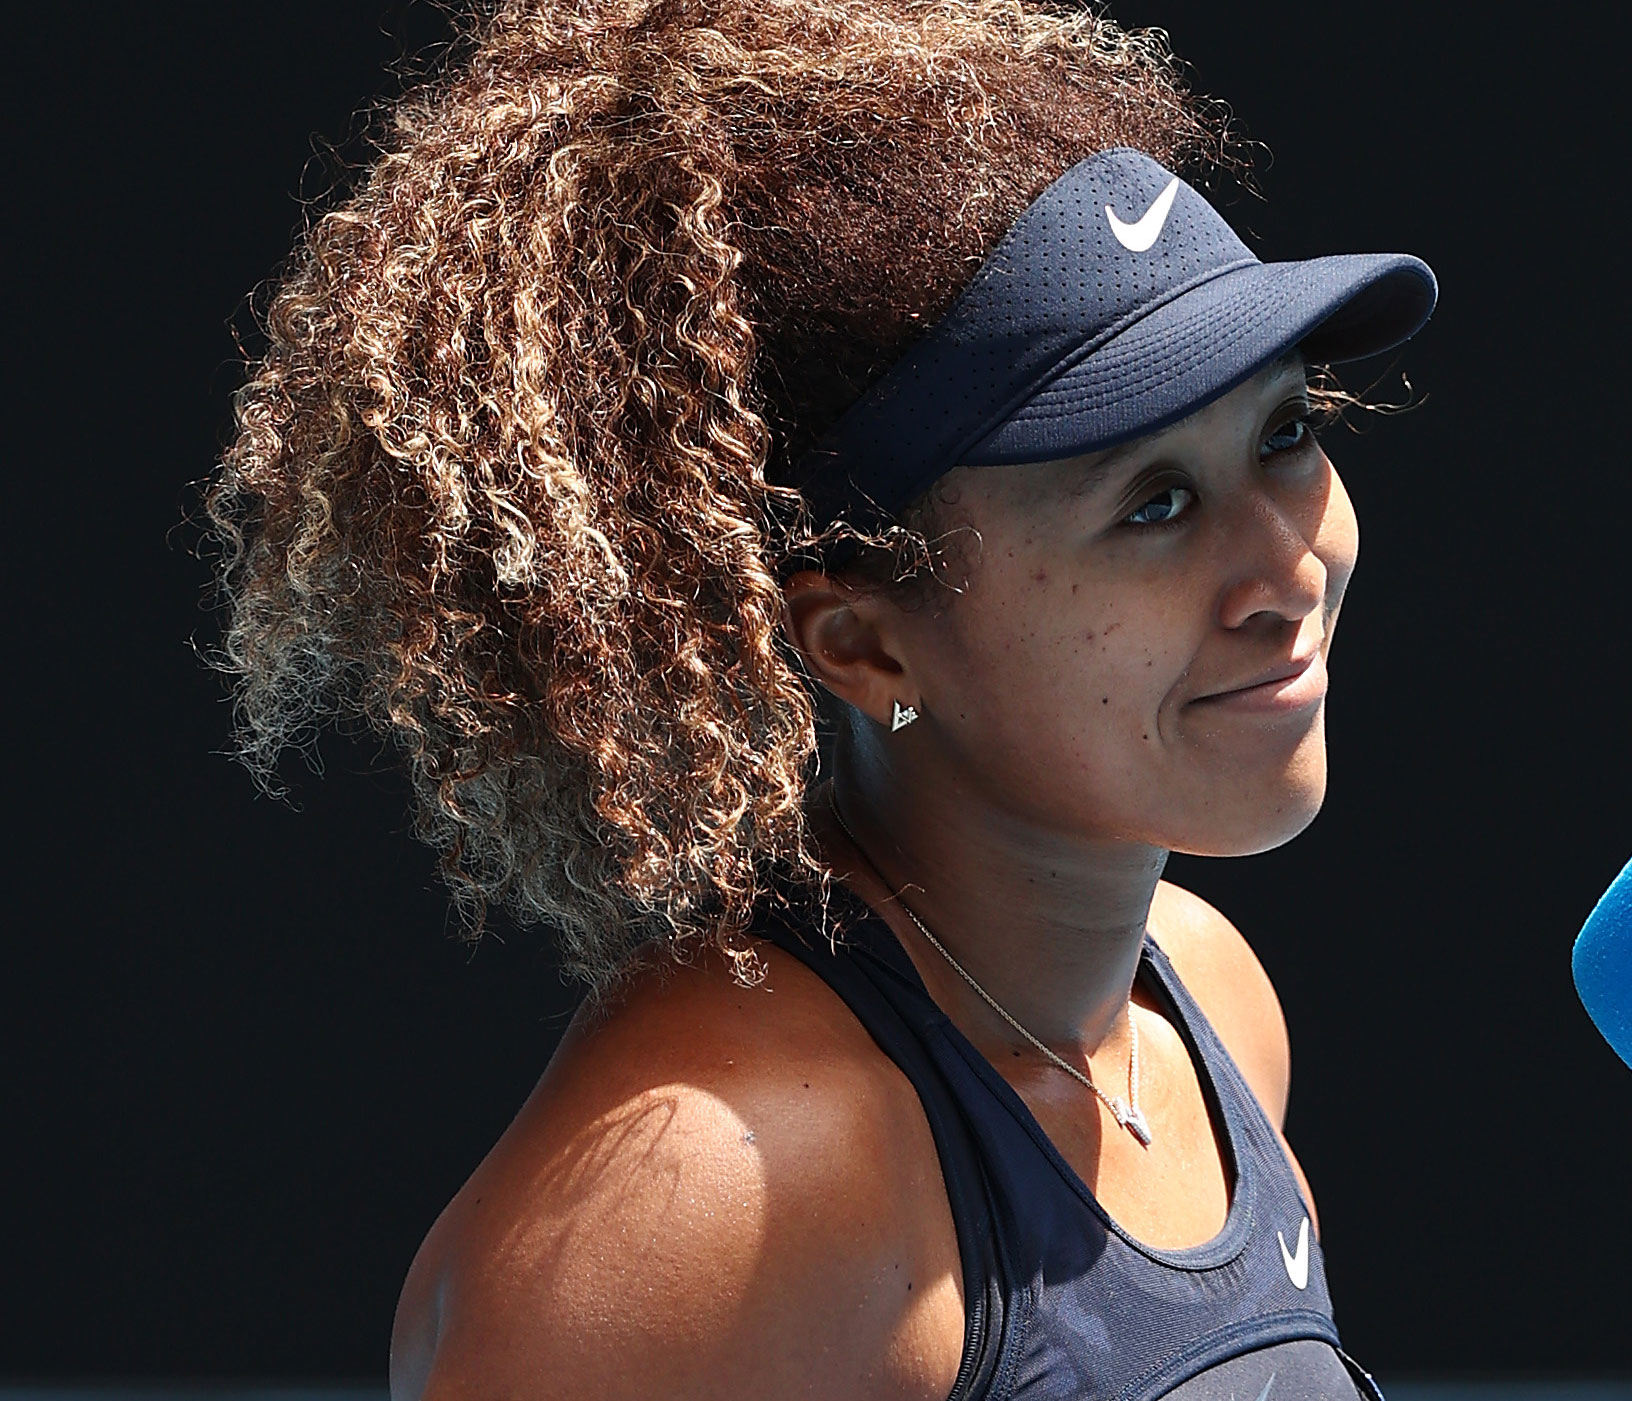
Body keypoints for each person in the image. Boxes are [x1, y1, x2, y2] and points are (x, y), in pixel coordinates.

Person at [207, 2, 1434, 1397]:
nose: (1287, 564)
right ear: (862, 645)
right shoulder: (703, 1201)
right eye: (1152, 503)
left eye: (1283, 432)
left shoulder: (1207, 1000)